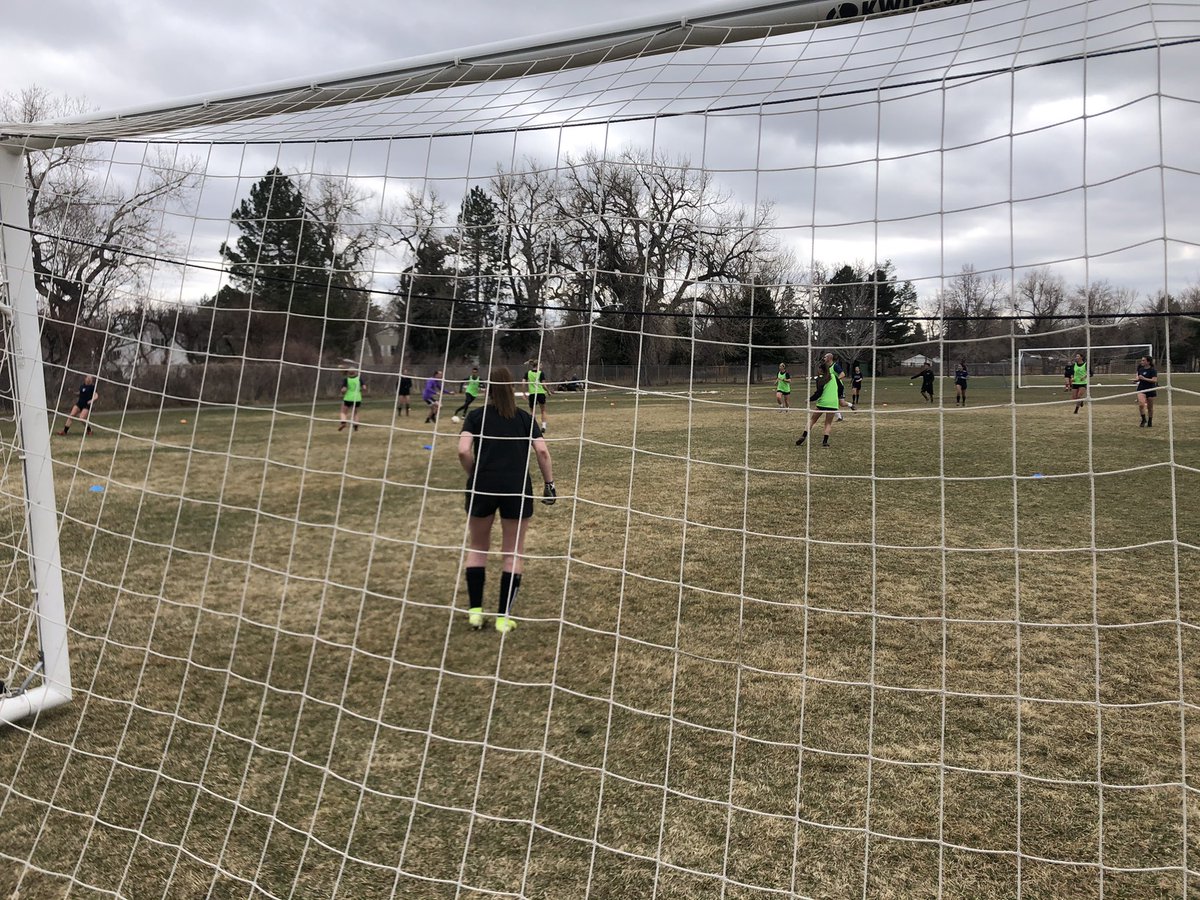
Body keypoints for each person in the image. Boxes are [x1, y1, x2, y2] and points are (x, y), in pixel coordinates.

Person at [457, 366, 556, 634]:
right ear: (512, 388)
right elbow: (543, 452)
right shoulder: (524, 418)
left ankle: (475, 613)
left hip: (482, 487)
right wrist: (549, 484)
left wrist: (474, 474)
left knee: (478, 548)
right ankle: (503, 618)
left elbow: (463, 450)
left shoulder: (475, 416)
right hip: (516, 488)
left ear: (487, 388)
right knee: (512, 552)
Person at [795, 354, 840, 448]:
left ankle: (803, 436)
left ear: (821, 370)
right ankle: (825, 442)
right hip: (833, 403)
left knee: (812, 420)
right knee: (828, 423)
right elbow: (841, 387)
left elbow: (818, 393)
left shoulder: (820, 379)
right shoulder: (834, 376)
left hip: (823, 403)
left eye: (818, 369)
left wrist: (809, 399)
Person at [524, 359, 553, 431]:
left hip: (532, 394)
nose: (541, 366)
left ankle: (533, 427)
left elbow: (523, 383)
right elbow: (543, 385)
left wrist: (523, 392)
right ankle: (543, 426)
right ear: (537, 365)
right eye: (540, 364)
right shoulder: (541, 373)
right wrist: (548, 391)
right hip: (540, 393)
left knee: (532, 411)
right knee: (543, 410)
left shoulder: (528, 373)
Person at [1134, 355, 1158, 427]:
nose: (1142, 362)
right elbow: (1139, 378)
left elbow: (1154, 380)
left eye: (1143, 360)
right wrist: (1135, 380)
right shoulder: (1140, 369)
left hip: (1150, 389)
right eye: (1142, 360)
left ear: (1148, 362)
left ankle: (1150, 421)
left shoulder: (1153, 370)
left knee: (1150, 408)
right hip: (1141, 388)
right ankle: (1143, 419)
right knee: (1141, 404)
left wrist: (1144, 378)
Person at [339, 367, 365, 431]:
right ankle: (356, 426)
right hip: (357, 398)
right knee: (355, 413)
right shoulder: (359, 379)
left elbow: (344, 389)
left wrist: (342, 392)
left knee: (343, 412)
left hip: (348, 398)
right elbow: (364, 387)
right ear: (355, 372)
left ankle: (343, 423)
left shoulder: (346, 379)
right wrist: (359, 390)